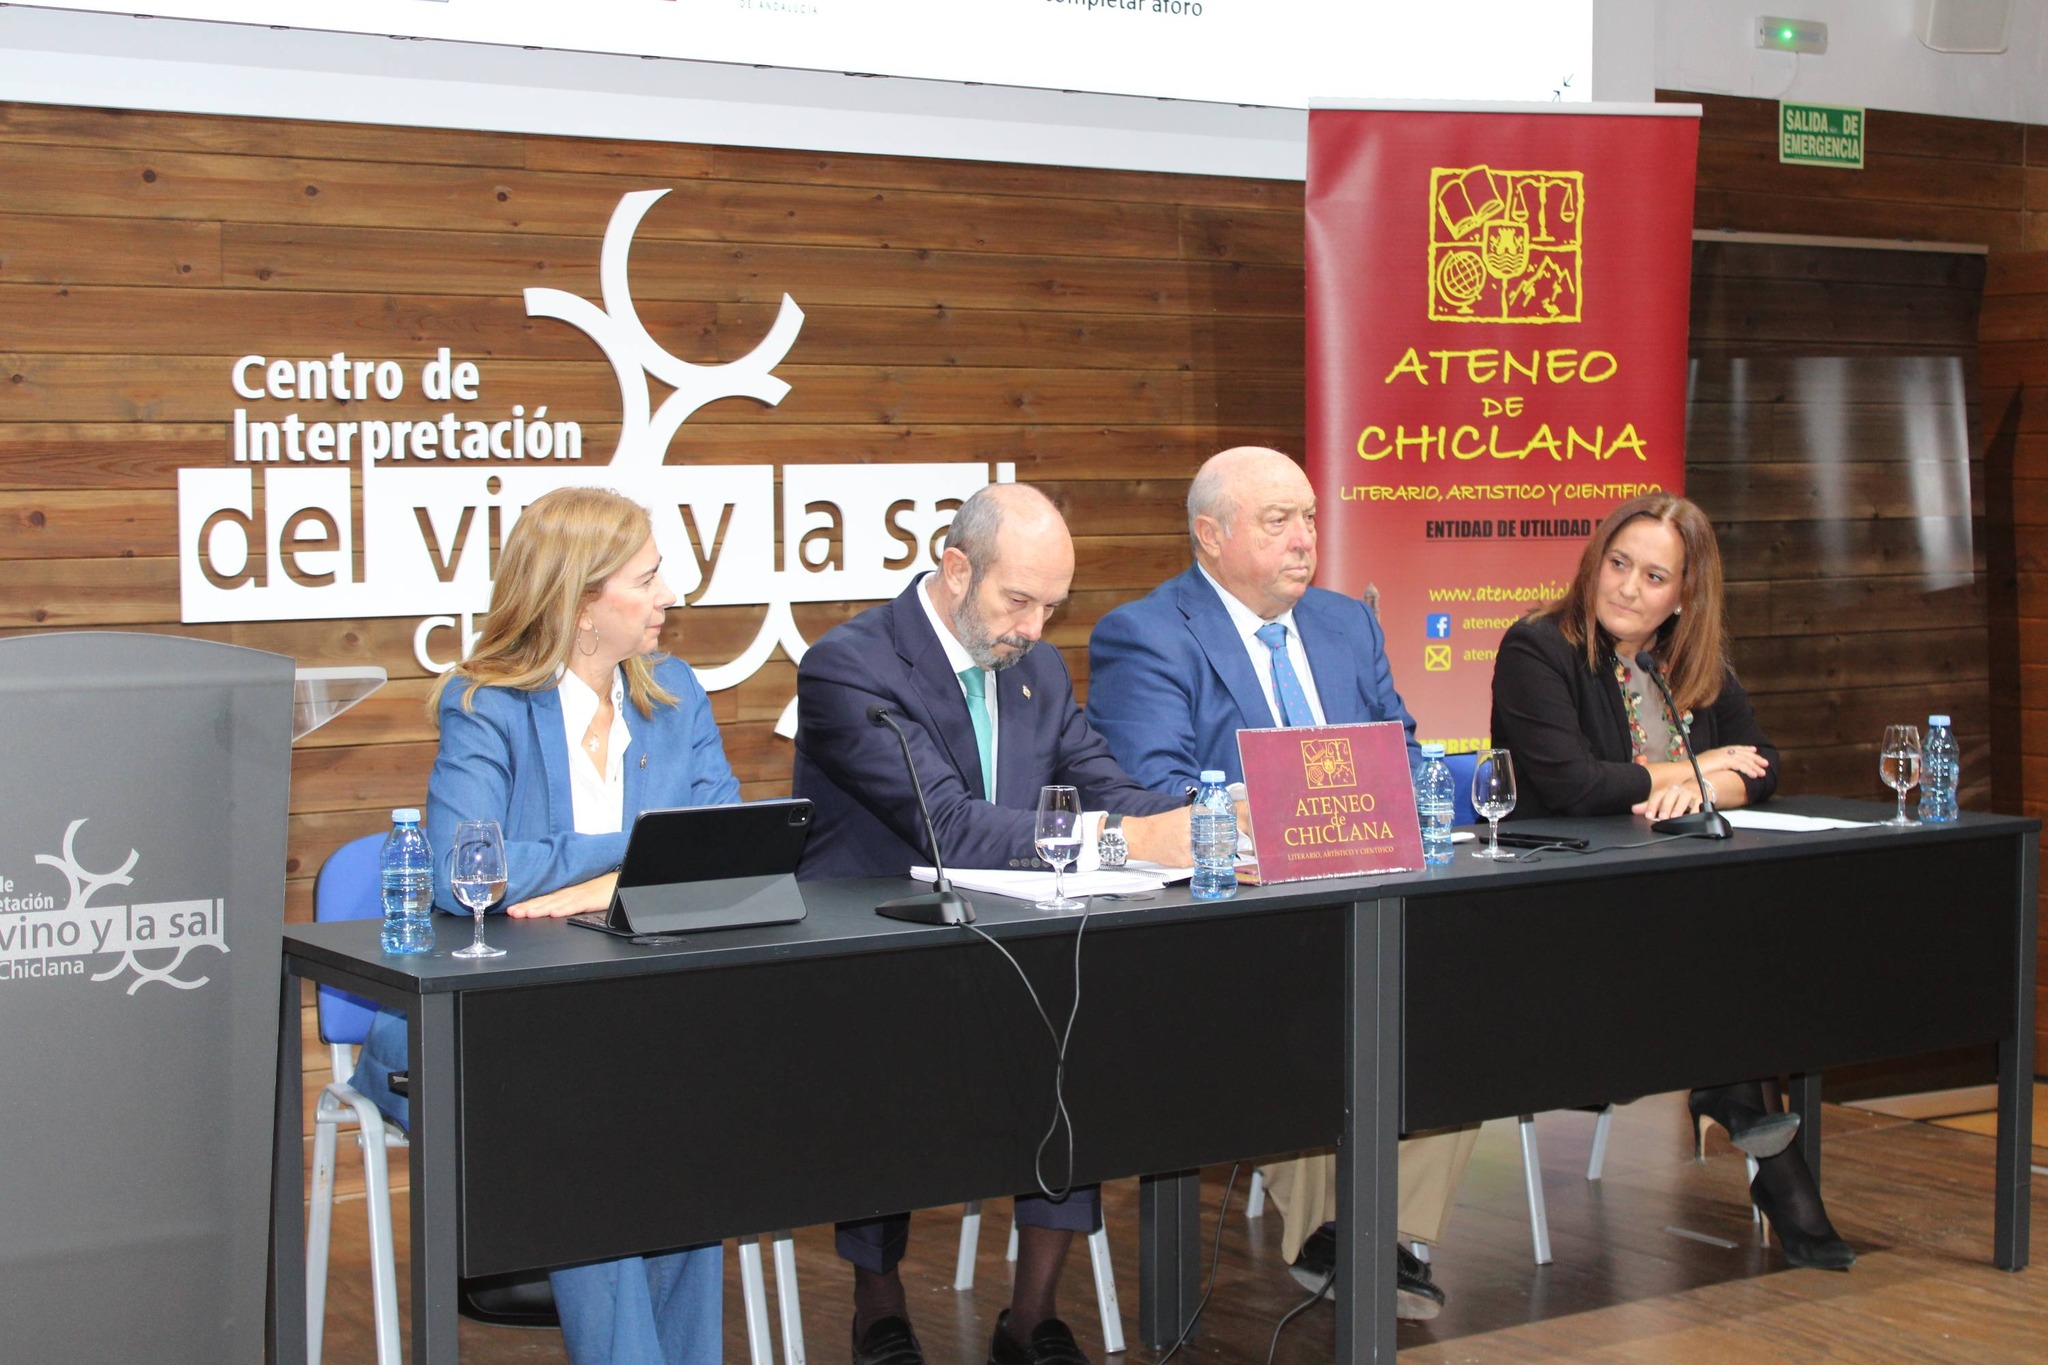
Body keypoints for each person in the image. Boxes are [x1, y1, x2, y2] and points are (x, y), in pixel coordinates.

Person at [794, 482, 1191, 1365]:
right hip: (883, 947)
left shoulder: (1037, 669)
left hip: (1019, 940)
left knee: (1079, 1021)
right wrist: (1127, 839)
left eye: (1053, 606)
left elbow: (1104, 784)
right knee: (885, 1049)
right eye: (1019, 602)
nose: (1035, 629)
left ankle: (1031, 1314)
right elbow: (950, 822)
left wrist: (1202, 821)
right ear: (957, 568)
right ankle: (879, 1301)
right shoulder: (848, 666)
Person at [351, 485, 742, 1362]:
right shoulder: (485, 703)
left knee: (690, 1119)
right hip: (494, 1022)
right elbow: (465, 867)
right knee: (593, 1123)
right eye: (646, 578)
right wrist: (623, 856)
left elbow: (719, 845)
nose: (670, 595)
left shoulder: (674, 692)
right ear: (580, 601)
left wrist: (586, 879)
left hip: (638, 1009)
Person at [1087, 445, 1473, 1319]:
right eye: (1278, 521)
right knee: (1323, 997)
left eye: (1309, 518)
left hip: (1361, 897)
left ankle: (1370, 1229)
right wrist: (1283, 814)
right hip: (1233, 919)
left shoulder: (1346, 623)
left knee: (1453, 990)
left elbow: (1403, 754)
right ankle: (1335, 1230)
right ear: (1209, 535)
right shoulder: (1146, 633)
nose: (1304, 539)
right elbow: (1148, 790)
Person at [1489, 491, 1854, 1271]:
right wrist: (1689, 768)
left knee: (1749, 933)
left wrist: (1701, 783)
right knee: (1728, 947)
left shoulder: (1688, 661)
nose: (1627, 587)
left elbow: (1764, 767)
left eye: (1654, 576)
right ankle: (1751, 1129)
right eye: (1617, 564)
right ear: (1593, 564)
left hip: (1673, 901)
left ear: (1684, 594)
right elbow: (1572, 783)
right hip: (1565, 904)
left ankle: (1735, 1101)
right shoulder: (1537, 648)